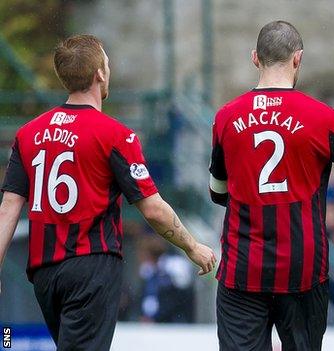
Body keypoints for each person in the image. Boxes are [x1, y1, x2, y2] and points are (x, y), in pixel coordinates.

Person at [0, 34, 217, 350]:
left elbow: (8, 205)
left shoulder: (28, 133)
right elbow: (153, 209)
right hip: (91, 267)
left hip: (44, 272)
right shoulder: (115, 135)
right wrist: (192, 247)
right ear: (100, 73)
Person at [209, 20, 334, 350]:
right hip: (303, 268)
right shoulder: (322, 117)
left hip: (243, 267)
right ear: (298, 59)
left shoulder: (226, 117)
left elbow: (217, 192)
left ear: (255, 58)